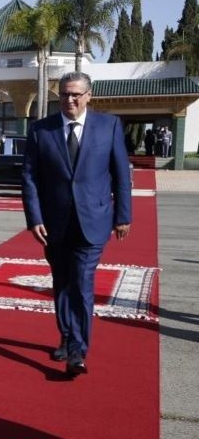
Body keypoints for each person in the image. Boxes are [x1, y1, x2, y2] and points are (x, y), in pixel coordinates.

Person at [21, 71, 132, 377]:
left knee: (82, 282)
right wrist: (35, 218)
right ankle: (68, 335)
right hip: (53, 224)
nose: (70, 100)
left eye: (76, 94)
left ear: (88, 96)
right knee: (62, 283)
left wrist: (124, 215)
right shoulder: (41, 130)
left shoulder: (108, 126)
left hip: (93, 220)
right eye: (64, 95)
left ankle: (77, 351)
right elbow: (30, 178)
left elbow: (121, 174)